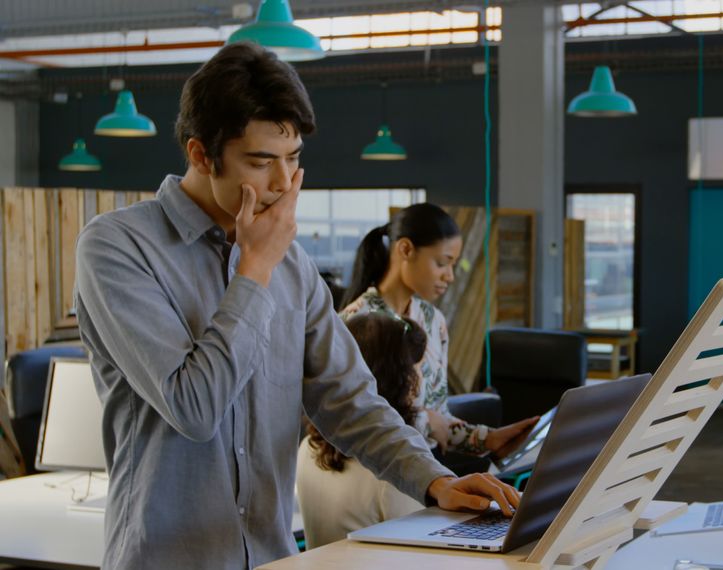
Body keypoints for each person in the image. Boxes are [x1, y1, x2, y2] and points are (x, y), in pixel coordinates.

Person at [73, 43, 519, 570]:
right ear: (199, 154)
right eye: (260, 162)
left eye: (293, 159)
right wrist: (255, 269)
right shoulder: (118, 247)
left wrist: (435, 478)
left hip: (270, 560)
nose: (283, 183)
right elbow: (193, 409)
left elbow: (350, 399)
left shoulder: (294, 265)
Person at [340, 204, 537, 460]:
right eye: (442, 263)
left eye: (454, 265)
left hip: (428, 468)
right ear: (406, 250)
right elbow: (352, 418)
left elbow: (439, 418)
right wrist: (426, 420)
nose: (450, 276)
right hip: (376, 474)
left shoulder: (433, 320)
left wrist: (489, 439)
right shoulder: (356, 321)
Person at [297, 312, 429, 548]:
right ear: (400, 377)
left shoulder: (307, 448)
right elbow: (423, 550)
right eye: (416, 368)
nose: (420, 377)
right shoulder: (396, 468)